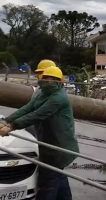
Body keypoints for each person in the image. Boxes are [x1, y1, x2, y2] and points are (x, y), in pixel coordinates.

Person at [0, 66, 79, 200]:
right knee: (58, 177)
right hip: (49, 144)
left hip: (59, 147)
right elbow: (28, 108)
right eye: (46, 78)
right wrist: (7, 120)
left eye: (52, 79)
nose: (48, 81)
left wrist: (12, 126)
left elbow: (37, 115)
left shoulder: (58, 98)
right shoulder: (42, 93)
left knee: (47, 183)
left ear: (59, 82)